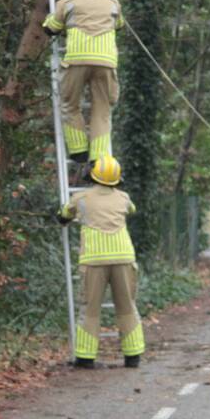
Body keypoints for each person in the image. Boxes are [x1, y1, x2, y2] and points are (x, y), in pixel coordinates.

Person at [56, 154, 145, 369]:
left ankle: (86, 358)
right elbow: (132, 210)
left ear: (91, 175)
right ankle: (133, 356)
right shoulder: (124, 198)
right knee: (126, 306)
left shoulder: (81, 198)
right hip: (124, 257)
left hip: (94, 259)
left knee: (90, 308)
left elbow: (63, 215)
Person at [43, 0, 125, 175]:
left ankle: (79, 150)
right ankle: (98, 157)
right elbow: (120, 25)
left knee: (70, 104)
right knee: (102, 110)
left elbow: (50, 28)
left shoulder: (67, 3)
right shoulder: (113, 3)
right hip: (106, 63)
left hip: (76, 62)